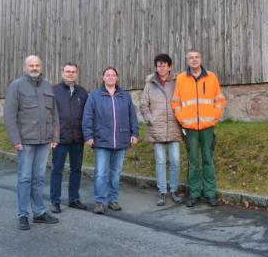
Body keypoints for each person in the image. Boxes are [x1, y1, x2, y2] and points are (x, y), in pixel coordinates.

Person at [3, 55, 60, 230]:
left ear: (41, 67)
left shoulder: (48, 86)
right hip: (25, 142)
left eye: (37, 65)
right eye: (31, 65)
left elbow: (55, 115)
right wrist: (15, 140)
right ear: (25, 67)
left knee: (39, 179)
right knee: (25, 178)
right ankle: (23, 215)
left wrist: (55, 137)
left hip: (44, 141)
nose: (34, 68)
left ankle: (39, 213)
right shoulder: (17, 86)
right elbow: (9, 115)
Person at [171, 49, 227, 207]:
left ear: (200, 59)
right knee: (193, 161)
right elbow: (175, 102)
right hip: (189, 127)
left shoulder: (211, 77)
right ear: (187, 61)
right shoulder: (181, 79)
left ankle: (210, 193)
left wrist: (215, 116)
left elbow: (220, 100)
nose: (194, 60)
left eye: (196, 57)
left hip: (208, 126)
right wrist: (182, 119)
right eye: (191, 58)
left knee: (208, 159)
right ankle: (194, 193)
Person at [82, 66, 139, 214]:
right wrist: (88, 136)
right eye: (107, 75)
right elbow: (87, 117)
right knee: (101, 173)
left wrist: (134, 133)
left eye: (113, 75)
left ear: (117, 78)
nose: (110, 77)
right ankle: (99, 202)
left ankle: (113, 200)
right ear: (103, 78)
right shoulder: (95, 95)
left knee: (115, 172)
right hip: (101, 140)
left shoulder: (124, 96)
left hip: (121, 140)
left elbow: (132, 116)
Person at [139, 54, 184, 206]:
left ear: (170, 67)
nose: (161, 68)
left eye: (164, 65)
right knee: (160, 161)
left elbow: (183, 100)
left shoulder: (177, 82)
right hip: (156, 127)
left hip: (174, 126)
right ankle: (162, 191)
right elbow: (144, 104)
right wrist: (149, 119)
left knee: (176, 161)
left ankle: (174, 190)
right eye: (159, 65)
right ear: (156, 67)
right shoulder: (150, 84)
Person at [50, 63, 89, 213]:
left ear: (77, 74)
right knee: (57, 170)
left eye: (73, 72)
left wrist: (87, 135)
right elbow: (49, 116)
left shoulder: (83, 93)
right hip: (60, 139)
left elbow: (87, 116)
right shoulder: (54, 91)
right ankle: (55, 201)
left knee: (76, 170)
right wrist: (51, 136)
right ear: (62, 73)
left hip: (78, 139)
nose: (70, 74)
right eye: (68, 71)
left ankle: (74, 199)